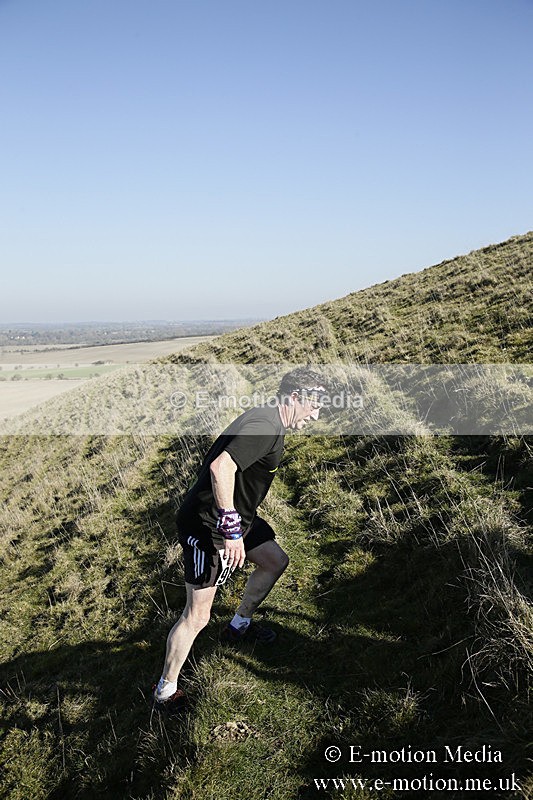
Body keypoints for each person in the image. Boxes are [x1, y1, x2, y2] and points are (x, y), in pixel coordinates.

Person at [153, 367, 328, 710]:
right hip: (208, 528)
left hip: (236, 520)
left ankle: (238, 626)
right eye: (314, 406)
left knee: (275, 561)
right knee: (197, 616)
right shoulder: (265, 426)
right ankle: (165, 690)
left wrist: (238, 524)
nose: (316, 414)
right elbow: (222, 468)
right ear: (294, 398)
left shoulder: (270, 420)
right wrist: (230, 529)